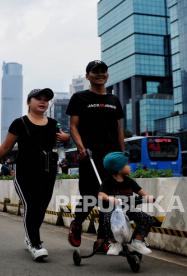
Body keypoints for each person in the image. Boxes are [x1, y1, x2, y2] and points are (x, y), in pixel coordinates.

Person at [0, 88, 70, 261]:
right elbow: (5, 148)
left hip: (47, 171)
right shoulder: (20, 123)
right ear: (29, 102)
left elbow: (63, 140)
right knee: (31, 205)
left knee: (41, 208)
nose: (43, 101)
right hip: (25, 172)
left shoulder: (53, 124)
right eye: (38, 98)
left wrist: (67, 138)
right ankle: (35, 243)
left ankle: (30, 236)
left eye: (46, 99)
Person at [66, 60, 125, 249]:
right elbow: (73, 126)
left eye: (103, 71)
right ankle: (77, 223)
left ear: (107, 75)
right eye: (95, 71)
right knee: (90, 195)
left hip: (112, 156)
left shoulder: (114, 100)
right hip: (89, 155)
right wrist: (81, 147)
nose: (100, 74)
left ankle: (102, 239)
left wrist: (122, 156)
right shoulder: (80, 98)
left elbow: (119, 129)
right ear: (87, 76)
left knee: (110, 197)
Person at [98, 152, 155, 255]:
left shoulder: (129, 181)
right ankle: (114, 243)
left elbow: (141, 192)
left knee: (147, 218)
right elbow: (101, 195)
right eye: (126, 164)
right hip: (113, 211)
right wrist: (109, 198)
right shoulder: (108, 182)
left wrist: (148, 197)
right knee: (106, 220)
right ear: (119, 168)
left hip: (128, 210)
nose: (129, 167)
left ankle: (137, 241)